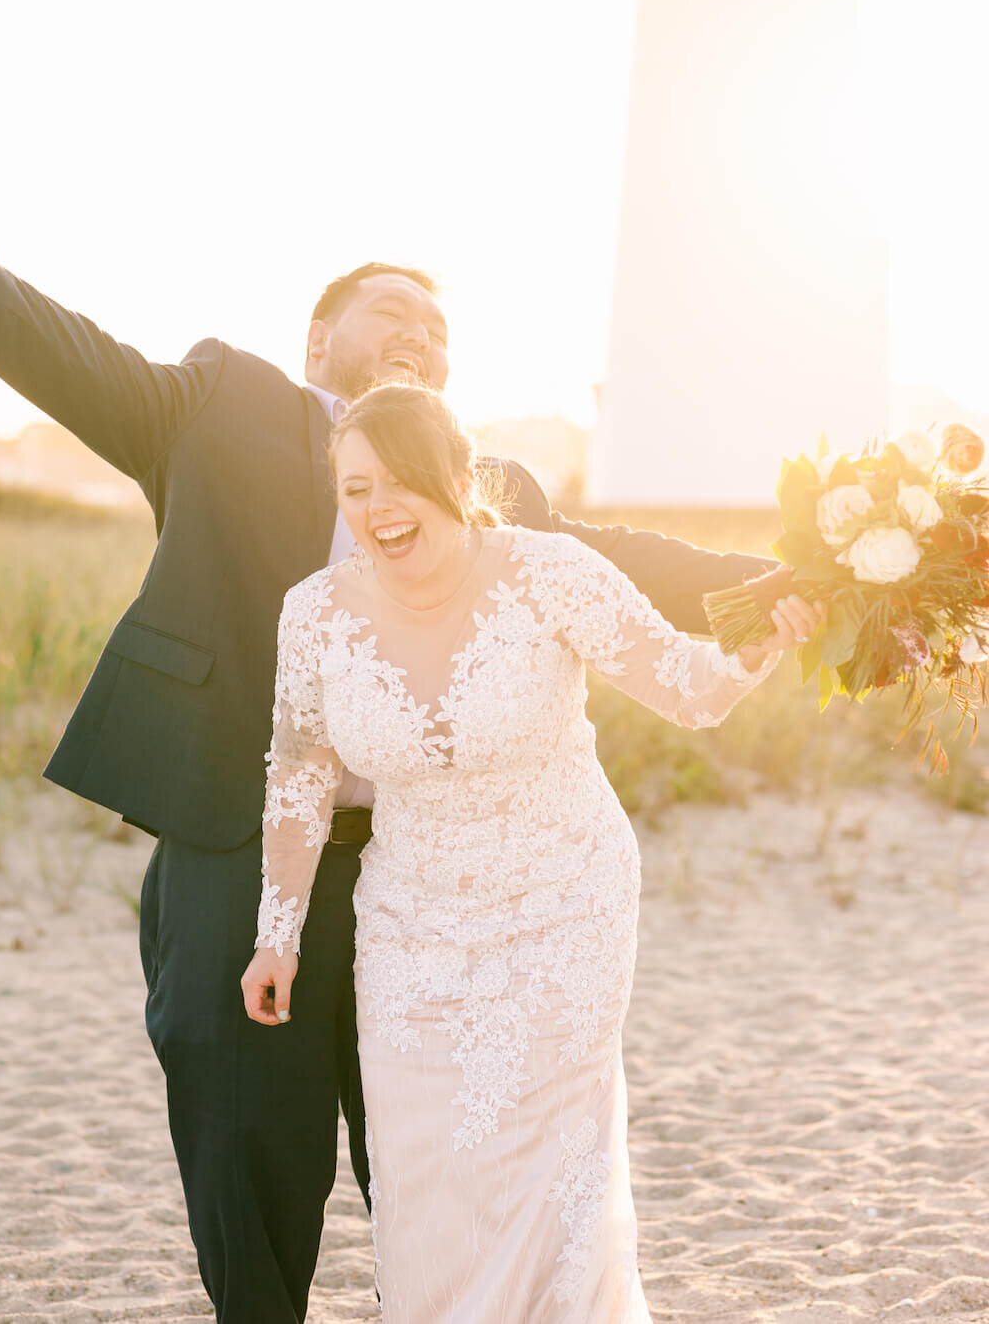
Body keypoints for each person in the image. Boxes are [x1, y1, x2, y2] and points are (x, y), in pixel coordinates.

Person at [0, 174, 784, 1324]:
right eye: (394, 314)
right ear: (323, 338)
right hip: (241, 829)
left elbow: (614, 566)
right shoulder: (224, 400)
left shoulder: (494, 486)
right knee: (242, 1127)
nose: (420, 337)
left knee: (438, 1140)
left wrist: (790, 580)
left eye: (441, 333)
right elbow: (91, 371)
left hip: (433, 866)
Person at [242, 384, 821, 1322]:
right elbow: (300, 770)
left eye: (403, 481)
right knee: (426, 1176)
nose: (380, 508)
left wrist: (761, 646)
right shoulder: (313, 613)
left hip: (564, 908)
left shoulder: (552, 572)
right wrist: (280, 936)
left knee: (548, 1175)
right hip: (409, 929)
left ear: (463, 480)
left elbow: (687, 685)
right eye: (356, 490)